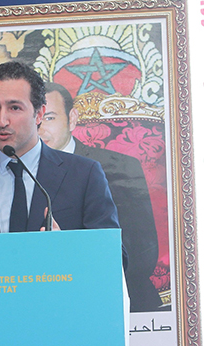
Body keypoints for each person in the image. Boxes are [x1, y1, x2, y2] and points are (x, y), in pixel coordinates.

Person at [0, 62, 124, 259]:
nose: (2, 121)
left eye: (14, 108)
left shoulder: (83, 175)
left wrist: (66, 249)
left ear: (39, 114)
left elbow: (114, 258)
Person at [39, 82, 162, 311]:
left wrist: (68, 251)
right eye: (35, 119)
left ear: (72, 119)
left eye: (49, 118)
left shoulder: (119, 168)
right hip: (41, 303)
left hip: (114, 301)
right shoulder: (16, 170)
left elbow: (142, 255)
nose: (40, 128)